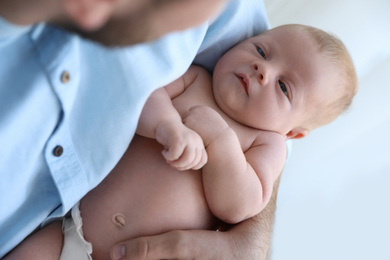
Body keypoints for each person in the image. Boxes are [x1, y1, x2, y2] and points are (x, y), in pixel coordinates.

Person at [4, 24, 358, 260]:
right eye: (262, 50)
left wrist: (220, 141)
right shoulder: (195, 78)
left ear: (293, 133)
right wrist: (167, 125)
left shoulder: (266, 145)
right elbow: (142, 99)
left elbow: (239, 205)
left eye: (283, 87)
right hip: (70, 227)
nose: (262, 70)